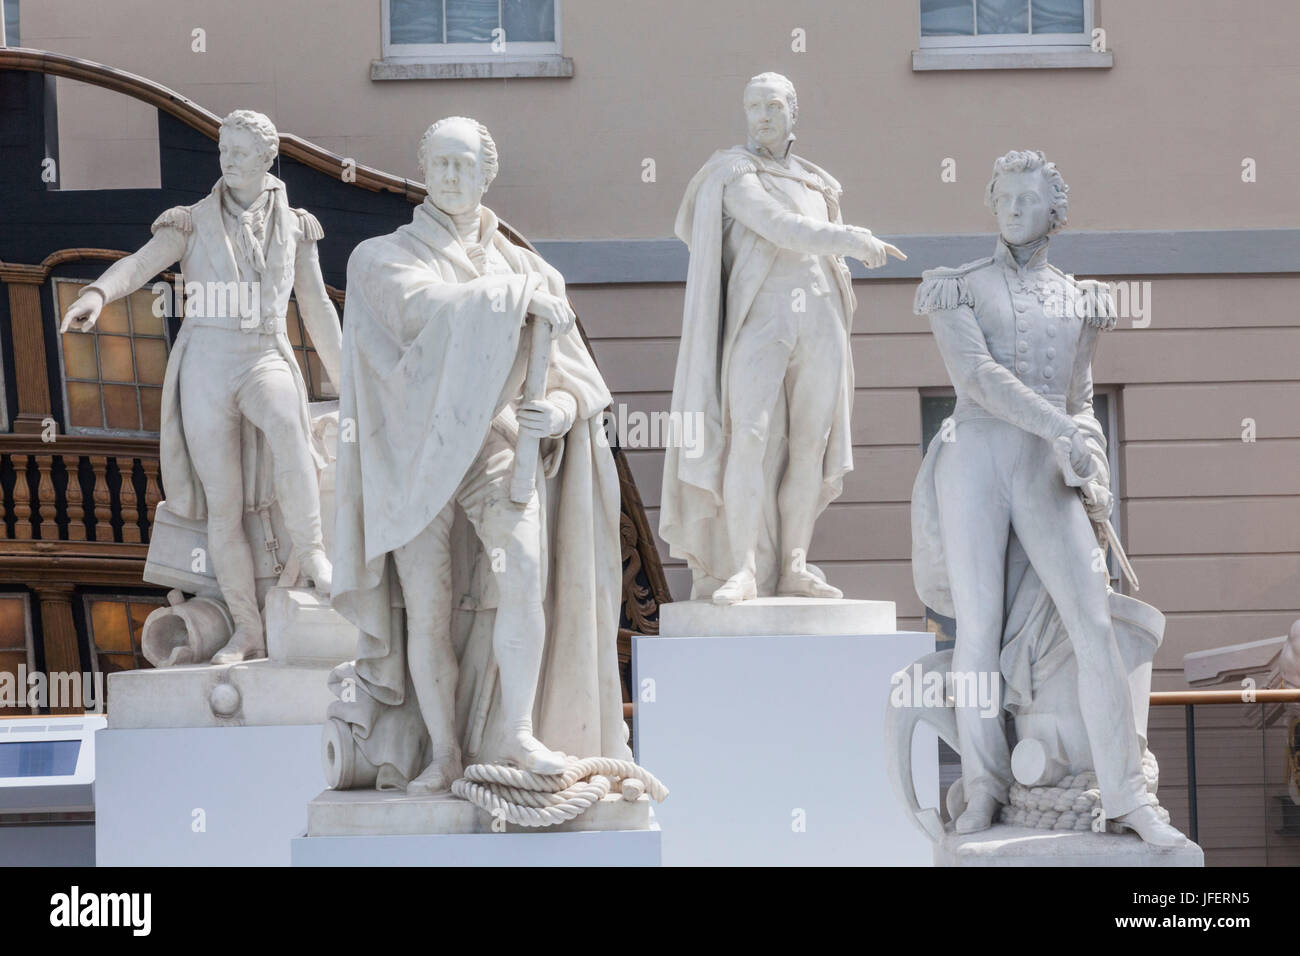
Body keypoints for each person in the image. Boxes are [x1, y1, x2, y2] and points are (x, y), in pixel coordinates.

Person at [326, 117, 630, 793]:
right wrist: (518, 302)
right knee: (427, 610)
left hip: (496, 446)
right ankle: (445, 752)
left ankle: (518, 732)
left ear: (487, 174)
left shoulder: (527, 267)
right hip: (414, 459)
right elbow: (420, 310)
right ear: (424, 170)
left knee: (523, 570)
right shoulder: (382, 258)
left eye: (465, 165)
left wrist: (559, 409)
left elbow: (581, 378)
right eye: (440, 164)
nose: (452, 176)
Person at [911, 149, 1184, 846]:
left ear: (1053, 212)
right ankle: (981, 791)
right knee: (974, 630)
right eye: (1002, 197)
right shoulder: (957, 287)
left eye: (1026, 200)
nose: (1011, 209)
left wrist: (1090, 451)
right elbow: (976, 378)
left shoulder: (1079, 297)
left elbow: (1082, 397)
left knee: (1092, 626)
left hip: (1044, 467)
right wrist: (1063, 427)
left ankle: (1125, 795)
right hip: (974, 457)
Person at [60, 109, 340, 664]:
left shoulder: (298, 225)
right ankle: (246, 626)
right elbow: (138, 266)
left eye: (240, 152)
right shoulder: (190, 221)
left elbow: (315, 305)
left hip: (263, 351)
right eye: (224, 151)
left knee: (291, 433)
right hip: (208, 359)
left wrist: (347, 380)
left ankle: (313, 555)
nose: (229, 161)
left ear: (267, 158)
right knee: (223, 504)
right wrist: (96, 294)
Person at [661, 72, 904, 606]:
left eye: (773, 106)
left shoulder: (818, 182)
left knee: (810, 448)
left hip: (820, 321)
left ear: (794, 111)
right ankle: (744, 566)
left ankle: (792, 564)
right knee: (746, 437)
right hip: (761, 322)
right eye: (753, 107)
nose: (763, 117)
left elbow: (821, 254)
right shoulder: (732, 172)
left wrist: (845, 240)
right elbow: (779, 226)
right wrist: (854, 238)